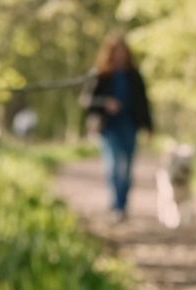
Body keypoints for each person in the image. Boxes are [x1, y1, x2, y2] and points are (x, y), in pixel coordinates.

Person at [81, 32, 154, 223]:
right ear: (110, 53)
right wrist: (106, 103)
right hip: (109, 128)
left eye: (123, 51)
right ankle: (115, 205)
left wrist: (149, 126)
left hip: (130, 126)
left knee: (127, 168)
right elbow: (86, 101)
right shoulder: (100, 74)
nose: (120, 55)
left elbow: (143, 102)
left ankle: (122, 205)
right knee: (113, 166)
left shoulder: (134, 75)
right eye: (117, 51)